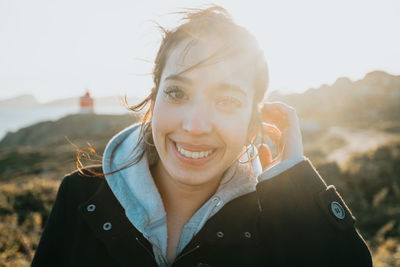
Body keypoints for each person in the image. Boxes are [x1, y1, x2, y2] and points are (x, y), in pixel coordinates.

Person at [32, 6, 373, 267]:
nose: (195, 126)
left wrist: (296, 189)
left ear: (254, 121)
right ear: (153, 100)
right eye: (178, 93)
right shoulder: (79, 194)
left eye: (227, 101)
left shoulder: (279, 217)